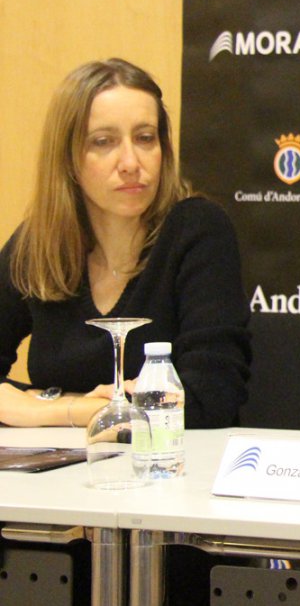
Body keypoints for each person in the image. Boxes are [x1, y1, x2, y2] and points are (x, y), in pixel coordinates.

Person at [1, 58, 251, 429]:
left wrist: (47, 408)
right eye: (104, 142)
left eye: (145, 138)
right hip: (64, 462)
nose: (131, 162)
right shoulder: (39, 245)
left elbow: (209, 399)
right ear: (67, 158)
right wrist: (74, 409)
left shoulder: (197, 230)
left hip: (172, 460)